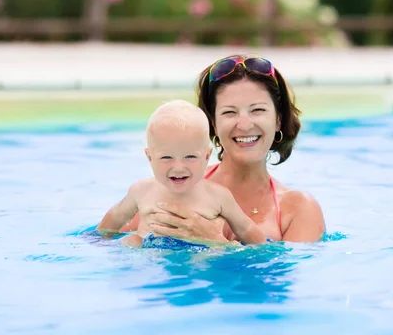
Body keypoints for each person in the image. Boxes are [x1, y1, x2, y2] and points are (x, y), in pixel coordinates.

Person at [112, 55, 326, 244]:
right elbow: (111, 240)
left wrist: (216, 242)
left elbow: (285, 275)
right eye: (229, 112)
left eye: (258, 110)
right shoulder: (178, 184)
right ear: (213, 123)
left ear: (278, 120)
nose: (244, 125)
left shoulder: (299, 208)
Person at [97, 99, 267, 247]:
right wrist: (96, 241)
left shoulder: (218, 196)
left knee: (214, 252)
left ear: (207, 157)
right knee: (132, 241)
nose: (178, 167)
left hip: (197, 260)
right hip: (152, 261)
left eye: (190, 157)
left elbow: (246, 228)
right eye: (167, 157)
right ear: (149, 157)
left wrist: (261, 249)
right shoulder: (142, 191)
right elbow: (115, 217)